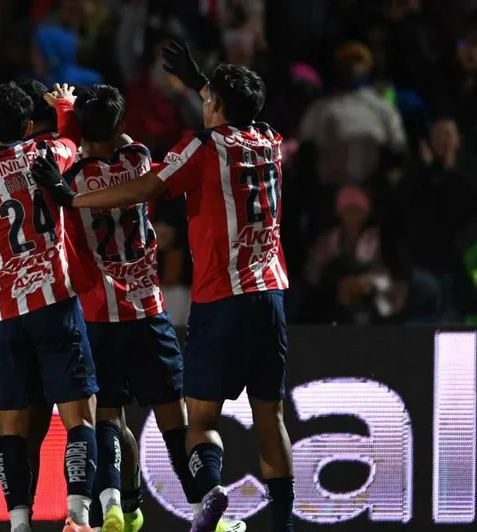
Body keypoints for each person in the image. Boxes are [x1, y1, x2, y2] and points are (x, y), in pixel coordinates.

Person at [31, 42, 294, 532]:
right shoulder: (264, 139)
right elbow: (229, 118)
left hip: (135, 308)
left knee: (124, 418)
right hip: (218, 300)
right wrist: (203, 85)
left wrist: (68, 176)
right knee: (245, 418)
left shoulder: (85, 172)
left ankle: (121, 505)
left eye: (209, 98)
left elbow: (122, 172)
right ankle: (242, 517)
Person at [52, 83, 245, 532]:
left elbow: (70, 146)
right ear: (120, 123)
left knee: (107, 415)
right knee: (174, 418)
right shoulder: (137, 158)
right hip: (148, 310)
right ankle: (204, 509)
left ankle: (113, 505)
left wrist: (66, 112)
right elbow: (120, 141)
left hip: (98, 315)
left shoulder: (71, 176)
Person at [0, 82, 99, 532]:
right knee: (79, 415)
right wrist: (65, 105)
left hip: (3, 313)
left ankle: (18, 522)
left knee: (11, 423)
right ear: (29, 126)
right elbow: (73, 138)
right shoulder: (45, 152)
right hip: (54, 302)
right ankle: (77, 516)